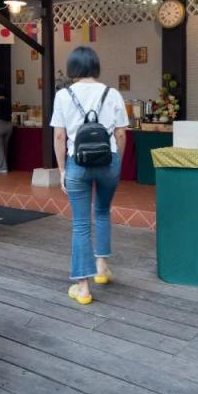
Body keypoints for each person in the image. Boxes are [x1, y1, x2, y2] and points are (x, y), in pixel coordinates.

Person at [51, 46, 129, 305]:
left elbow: (59, 135)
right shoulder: (113, 93)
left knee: (81, 224)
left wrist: (62, 169)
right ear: (96, 66)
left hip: (77, 163)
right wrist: (117, 161)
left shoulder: (63, 95)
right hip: (109, 161)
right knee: (103, 211)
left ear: (73, 67)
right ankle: (102, 268)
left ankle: (83, 288)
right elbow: (121, 134)